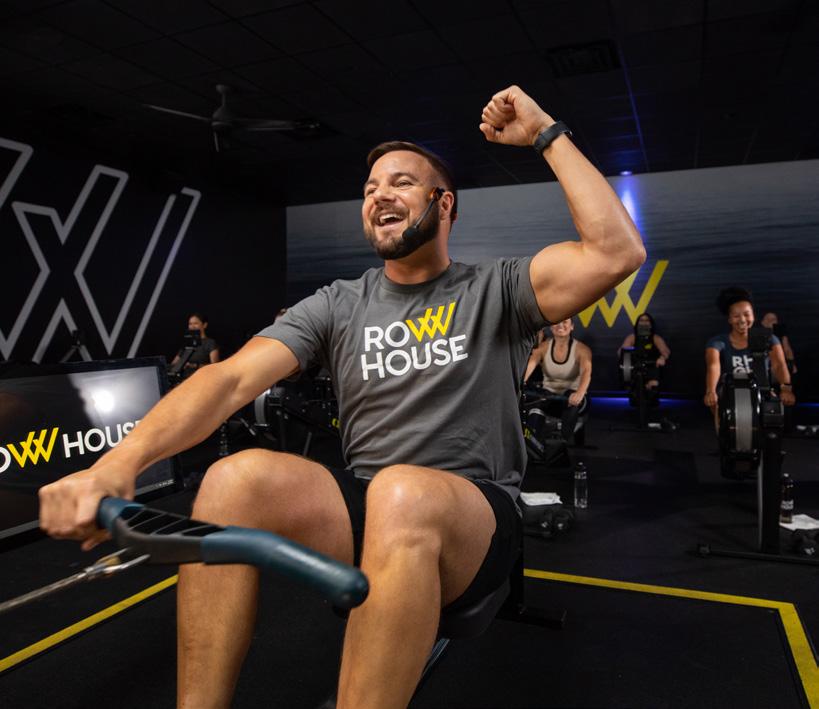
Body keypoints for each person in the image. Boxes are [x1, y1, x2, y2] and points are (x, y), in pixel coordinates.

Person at [38, 85, 645, 708]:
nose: (379, 194)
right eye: (370, 188)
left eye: (402, 183)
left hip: (474, 518)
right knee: (231, 479)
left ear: (444, 205)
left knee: (402, 492)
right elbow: (230, 379)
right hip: (366, 503)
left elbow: (618, 252)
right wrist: (117, 464)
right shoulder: (339, 303)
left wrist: (544, 132)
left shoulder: (500, 288)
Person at [704, 288, 795, 428]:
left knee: (773, 413)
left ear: (753, 316)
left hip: (760, 391)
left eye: (747, 314)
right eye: (736, 316)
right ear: (729, 319)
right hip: (731, 391)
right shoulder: (717, 342)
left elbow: (779, 365)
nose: (742, 320)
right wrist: (710, 391)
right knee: (719, 408)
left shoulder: (769, 338)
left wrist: (786, 389)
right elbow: (713, 366)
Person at [524, 318, 592, 441]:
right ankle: (532, 441)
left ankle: (564, 440)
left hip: (571, 399)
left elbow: (586, 373)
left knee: (572, 401)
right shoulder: (543, 348)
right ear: (551, 327)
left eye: (565, 322)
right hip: (549, 397)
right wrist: (519, 385)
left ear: (572, 326)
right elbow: (528, 369)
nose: (560, 325)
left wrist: (580, 393)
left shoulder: (582, 350)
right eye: (556, 322)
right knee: (535, 405)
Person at [618, 312, 670, 391]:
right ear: (637, 324)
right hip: (635, 366)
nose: (644, 323)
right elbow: (622, 351)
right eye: (641, 320)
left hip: (651, 365)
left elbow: (665, 351)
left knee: (654, 385)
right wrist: (623, 353)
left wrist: (662, 358)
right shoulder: (632, 337)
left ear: (651, 324)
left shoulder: (655, 338)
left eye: (647, 320)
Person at [170, 312, 220, 378]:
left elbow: (214, 367)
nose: (192, 326)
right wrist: (179, 365)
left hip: (201, 379)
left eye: (196, 323)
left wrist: (194, 365)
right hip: (183, 379)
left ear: (204, 325)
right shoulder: (187, 343)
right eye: (190, 324)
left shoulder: (210, 343)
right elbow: (174, 363)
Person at [760, 311, 797, 376]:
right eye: (769, 319)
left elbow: (787, 349)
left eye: (773, 319)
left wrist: (792, 363)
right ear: (762, 322)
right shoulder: (758, 333)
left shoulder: (780, 332)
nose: (771, 322)